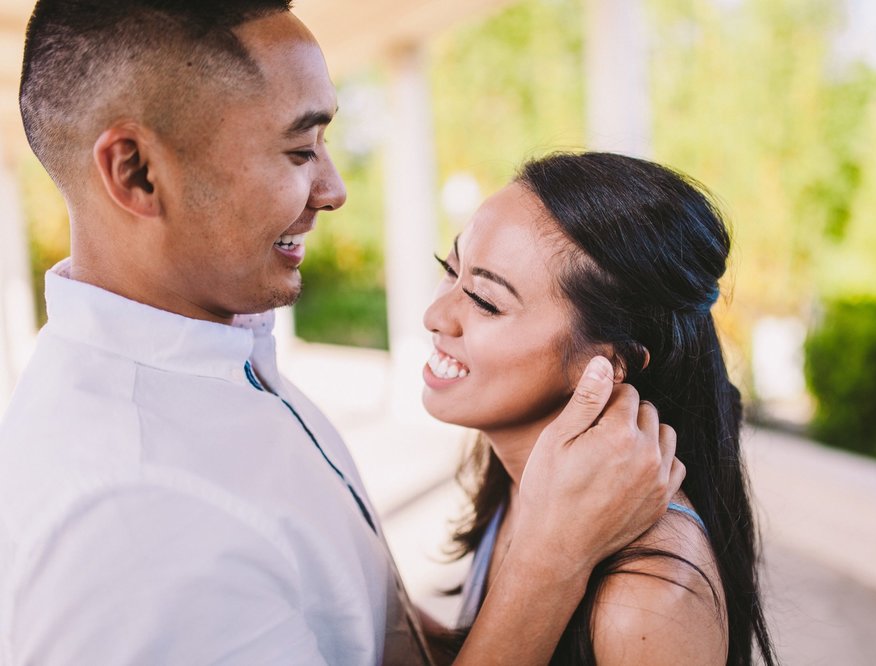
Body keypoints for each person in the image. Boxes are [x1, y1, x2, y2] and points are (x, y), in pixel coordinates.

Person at [0, 3, 685, 665]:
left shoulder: (223, 356)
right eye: (300, 150)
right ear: (137, 172)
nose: (333, 189)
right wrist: (551, 559)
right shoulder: (137, 526)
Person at [422, 152, 778, 665]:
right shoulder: (523, 478)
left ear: (607, 363)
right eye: (449, 271)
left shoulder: (646, 600)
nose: (435, 315)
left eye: (484, 301)